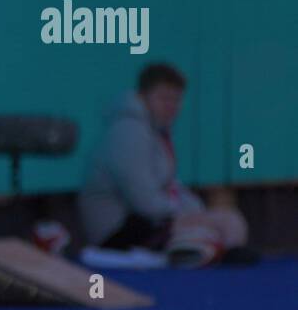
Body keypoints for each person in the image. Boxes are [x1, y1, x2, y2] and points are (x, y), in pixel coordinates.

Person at [79, 62, 251, 267]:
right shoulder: (128, 133)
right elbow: (144, 201)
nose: (171, 106)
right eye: (164, 98)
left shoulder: (152, 131)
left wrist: (196, 211)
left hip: (144, 223)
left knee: (227, 220)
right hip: (117, 233)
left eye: (176, 100)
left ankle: (226, 256)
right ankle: (221, 258)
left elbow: (170, 187)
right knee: (213, 226)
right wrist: (189, 215)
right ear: (143, 96)